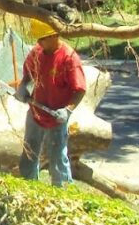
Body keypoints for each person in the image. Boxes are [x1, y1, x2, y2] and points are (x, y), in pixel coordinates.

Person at [14, 18, 87, 187]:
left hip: (57, 116)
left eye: (42, 39)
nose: (39, 42)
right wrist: (23, 87)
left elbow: (80, 89)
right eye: (38, 39)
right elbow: (28, 74)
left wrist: (67, 110)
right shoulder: (37, 53)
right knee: (29, 151)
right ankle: (28, 185)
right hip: (36, 111)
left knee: (57, 155)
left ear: (54, 35)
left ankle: (61, 190)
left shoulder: (69, 58)